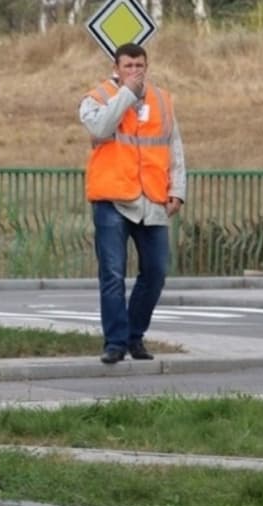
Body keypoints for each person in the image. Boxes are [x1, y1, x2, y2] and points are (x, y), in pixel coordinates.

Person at [79, 42, 186, 365]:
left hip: (151, 198)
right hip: (112, 197)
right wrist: (126, 94)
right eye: (128, 66)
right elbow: (100, 127)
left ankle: (134, 335)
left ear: (147, 67)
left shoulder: (162, 100)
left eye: (140, 66)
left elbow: (174, 146)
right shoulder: (97, 97)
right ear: (116, 68)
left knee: (156, 271)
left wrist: (178, 189)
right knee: (112, 274)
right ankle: (115, 342)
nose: (135, 72)